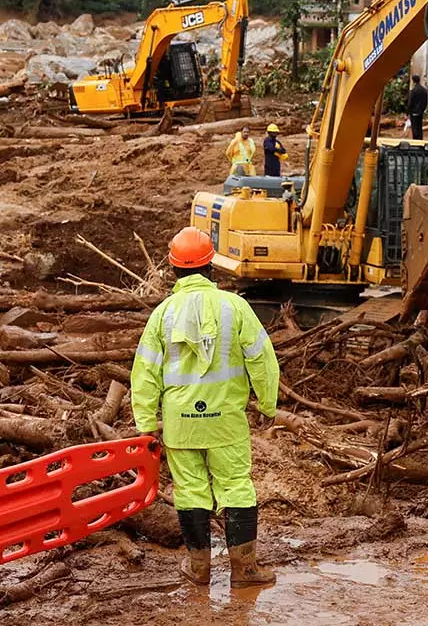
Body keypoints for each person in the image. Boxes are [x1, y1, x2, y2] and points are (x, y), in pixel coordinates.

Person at [132, 228, 280, 588]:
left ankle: (198, 569)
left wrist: (145, 423)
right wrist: (267, 402)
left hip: (181, 422)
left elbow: (145, 372)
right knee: (236, 487)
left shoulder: (162, 314)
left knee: (190, 490)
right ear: (211, 264)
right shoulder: (235, 307)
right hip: (225, 422)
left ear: (173, 268)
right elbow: (262, 359)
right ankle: (245, 570)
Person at [406, 75, 428, 140]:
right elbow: (425, 102)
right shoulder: (424, 90)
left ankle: (415, 141)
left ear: (413, 81)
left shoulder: (413, 91)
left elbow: (410, 102)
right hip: (420, 112)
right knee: (419, 127)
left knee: (414, 128)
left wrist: (408, 112)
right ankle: (420, 140)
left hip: (413, 112)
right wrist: (422, 109)